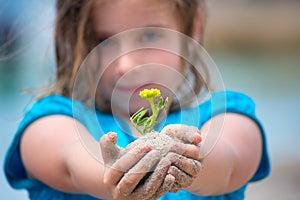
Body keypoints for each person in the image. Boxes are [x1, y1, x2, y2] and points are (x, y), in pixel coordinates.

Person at [4, 0, 270, 199]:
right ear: (77, 39)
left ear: (193, 29)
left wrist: (190, 156)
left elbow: (229, 162)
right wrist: (116, 174)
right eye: (104, 40)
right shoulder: (50, 123)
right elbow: (71, 160)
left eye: (150, 35)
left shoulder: (228, 117)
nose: (127, 65)